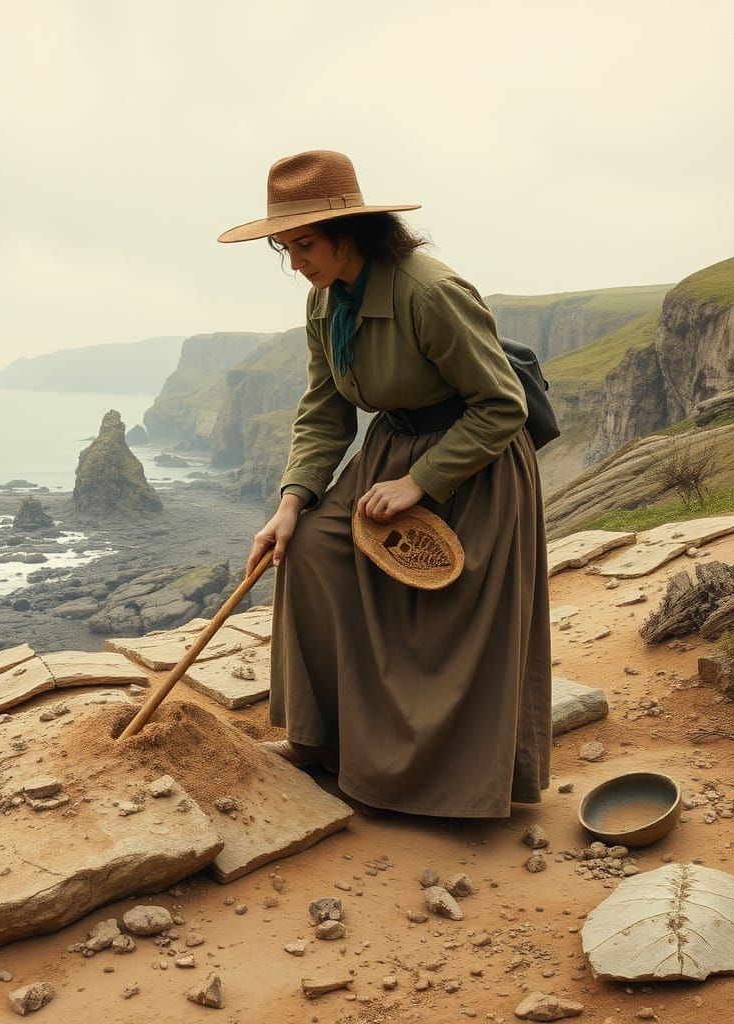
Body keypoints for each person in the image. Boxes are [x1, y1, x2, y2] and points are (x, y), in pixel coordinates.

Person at [218, 150, 551, 817]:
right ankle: (321, 740)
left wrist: (421, 484)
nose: (295, 262)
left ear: (352, 234)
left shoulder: (429, 292)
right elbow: (325, 411)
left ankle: (439, 783)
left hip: (474, 462)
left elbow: (502, 406)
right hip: (390, 452)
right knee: (310, 549)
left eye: (304, 244)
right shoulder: (324, 303)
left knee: (442, 616)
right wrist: (292, 502)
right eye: (285, 248)